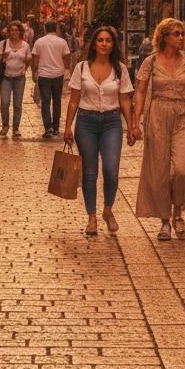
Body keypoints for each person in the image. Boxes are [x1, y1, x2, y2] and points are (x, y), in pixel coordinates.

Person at [132, 18, 185, 241]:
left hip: (183, 114)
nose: (182, 37)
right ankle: (165, 220)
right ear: (165, 37)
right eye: (177, 34)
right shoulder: (151, 61)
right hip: (157, 115)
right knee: (159, 170)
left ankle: (178, 212)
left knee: (183, 169)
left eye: (182, 34)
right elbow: (140, 91)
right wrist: (135, 121)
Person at [63, 26, 135, 236]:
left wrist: (130, 126)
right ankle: (92, 217)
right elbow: (74, 100)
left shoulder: (120, 69)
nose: (104, 44)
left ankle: (108, 210)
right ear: (94, 44)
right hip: (86, 122)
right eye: (101, 40)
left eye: (109, 41)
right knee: (90, 173)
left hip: (112, 122)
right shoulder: (82, 68)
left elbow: (124, 99)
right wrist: (68, 126)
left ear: (113, 45)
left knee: (111, 171)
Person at [30, 20, 72, 138]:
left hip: (44, 75)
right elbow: (67, 57)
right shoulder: (62, 42)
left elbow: (35, 59)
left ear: (45, 28)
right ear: (56, 28)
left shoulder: (39, 42)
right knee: (57, 101)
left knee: (46, 101)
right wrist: (66, 69)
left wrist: (34, 72)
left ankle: (47, 127)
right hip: (58, 74)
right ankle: (56, 127)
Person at [0, 20, 31, 138]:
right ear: (9, 32)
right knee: (5, 102)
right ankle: (5, 126)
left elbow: (28, 59)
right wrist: (1, 55)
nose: (14, 32)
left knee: (17, 104)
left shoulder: (25, 45)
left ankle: (15, 128)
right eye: (12, 30)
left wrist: (25, 68)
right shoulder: (4, 43)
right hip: (5, 77)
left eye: (16, 30)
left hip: (19, 78)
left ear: (20, 31)